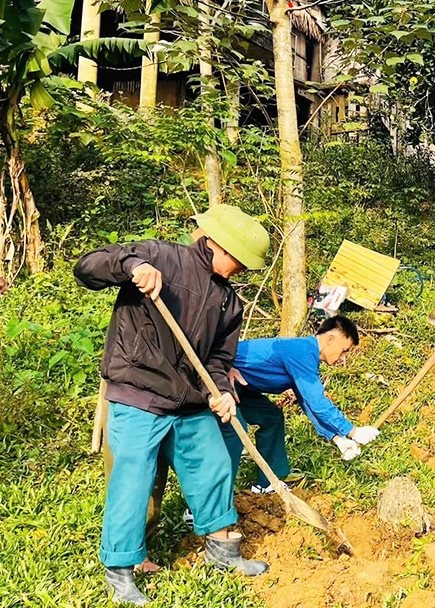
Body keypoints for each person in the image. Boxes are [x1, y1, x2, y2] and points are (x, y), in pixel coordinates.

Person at [74, 204, 272, 606]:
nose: (241, 271)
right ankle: (122, 571)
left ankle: (221, 552)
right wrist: (130, 265)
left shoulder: (228, 303)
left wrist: (223, 391)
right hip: (139, 391)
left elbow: (218, 359)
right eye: (239, 260)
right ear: (215, 243)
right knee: (133, 479)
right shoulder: (161, 257)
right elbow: (88, 266)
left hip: (189, 401)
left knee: (213, 466)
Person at [223, 316, 382, 492]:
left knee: (271, 418)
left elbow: (307, 401)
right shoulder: (302, 352)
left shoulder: (306, 355)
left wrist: (338, 438)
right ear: (330, 339)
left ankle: (267, 483)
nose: (343, 358)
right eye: (344, 350)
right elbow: (318, 403)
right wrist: (352, 431)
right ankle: (212, 503)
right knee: (234, 432)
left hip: (241, 387)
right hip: (219, 377)